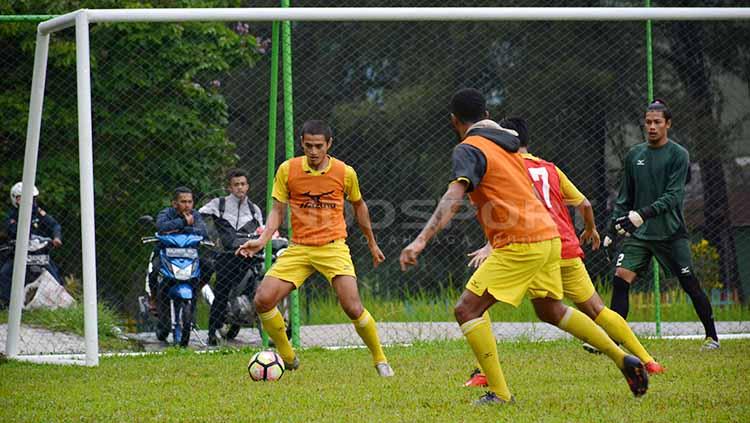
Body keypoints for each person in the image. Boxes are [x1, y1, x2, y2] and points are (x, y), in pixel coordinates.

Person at [399, 88, 648, 405]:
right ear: (487, 117)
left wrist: (420, 240)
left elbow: (453, 196)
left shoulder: (468, 148)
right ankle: (620, 356)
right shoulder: (509, 146)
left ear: (454, 121)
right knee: (550, 309)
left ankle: (500, 394)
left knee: (467, 309)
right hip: (548, 237)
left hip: (520, 241)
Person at [462, 117, 665, 389]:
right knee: (596, 309)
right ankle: (646, 359)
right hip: (565, 246)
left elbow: (508, 209)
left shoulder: (507, 166)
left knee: (477, 304)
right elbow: (583, 203)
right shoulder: (550, 168)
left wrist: (491, 245)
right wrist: (590, 229)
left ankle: (486, 374)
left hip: (529, 245)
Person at [236, 120, 393, 377]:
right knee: (263, 300)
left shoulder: (345, 172)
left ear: (329, 145)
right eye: (308, 145)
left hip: (333, 248)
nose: (313, 151)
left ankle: (380, 359)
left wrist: (372, 243)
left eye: (319, 146)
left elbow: (359, 207)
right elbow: (277, 210)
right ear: (301, 143)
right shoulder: (288, 170)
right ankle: (287, 355)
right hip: (299, 248)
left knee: (352, 307)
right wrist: (263, 239)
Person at [608, 99, 719, 350]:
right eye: (648, 122)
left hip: (671, 233)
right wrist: (610, 230)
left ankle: (712, 336)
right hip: (640, 234)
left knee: (690, 284)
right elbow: (624, 198)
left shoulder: (679, 155)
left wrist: (643, 214)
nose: (652, 127)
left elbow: (673, 197)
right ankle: (614, 341)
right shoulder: (634, 155)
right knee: (620, 279)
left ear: (668, 124)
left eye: (657, 122)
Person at [199, 168, 264, 346]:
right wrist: (205, 237)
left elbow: (262, 231)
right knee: (221, 292)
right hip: (227, 256)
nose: (240, 188)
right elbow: (198, 217)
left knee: (258, 283)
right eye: (236, 185)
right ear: (230, 187)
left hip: (249, 256)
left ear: (248, 186)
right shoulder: (218, 204)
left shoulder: (254, 210)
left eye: (243, 184)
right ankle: (212, 332)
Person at [153, 186, 208, 341]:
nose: (187, 205)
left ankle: (197, 288)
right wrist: (184, 222)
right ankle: (153, 298)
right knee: (154, 270)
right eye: (183, 202)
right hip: (167, 255)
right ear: (174, 203)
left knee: (209, 266)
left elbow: (203, 232)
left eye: (190, 202)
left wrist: (180, 228)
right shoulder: (166, 213)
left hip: (190, 257)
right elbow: (160, 227)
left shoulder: (196, 215)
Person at [0, 182, 64, 308]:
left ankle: (59, 301)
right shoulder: (12, 216)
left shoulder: (38, 212)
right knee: (4, 274)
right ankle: (8, 305)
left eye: (33, 198)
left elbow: (54, 225)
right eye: (24, 198)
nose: (32, 201)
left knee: (54, 274)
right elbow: (14, 231)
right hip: (18, 254)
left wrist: (56, 238)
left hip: (38, 252)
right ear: (16, 199)